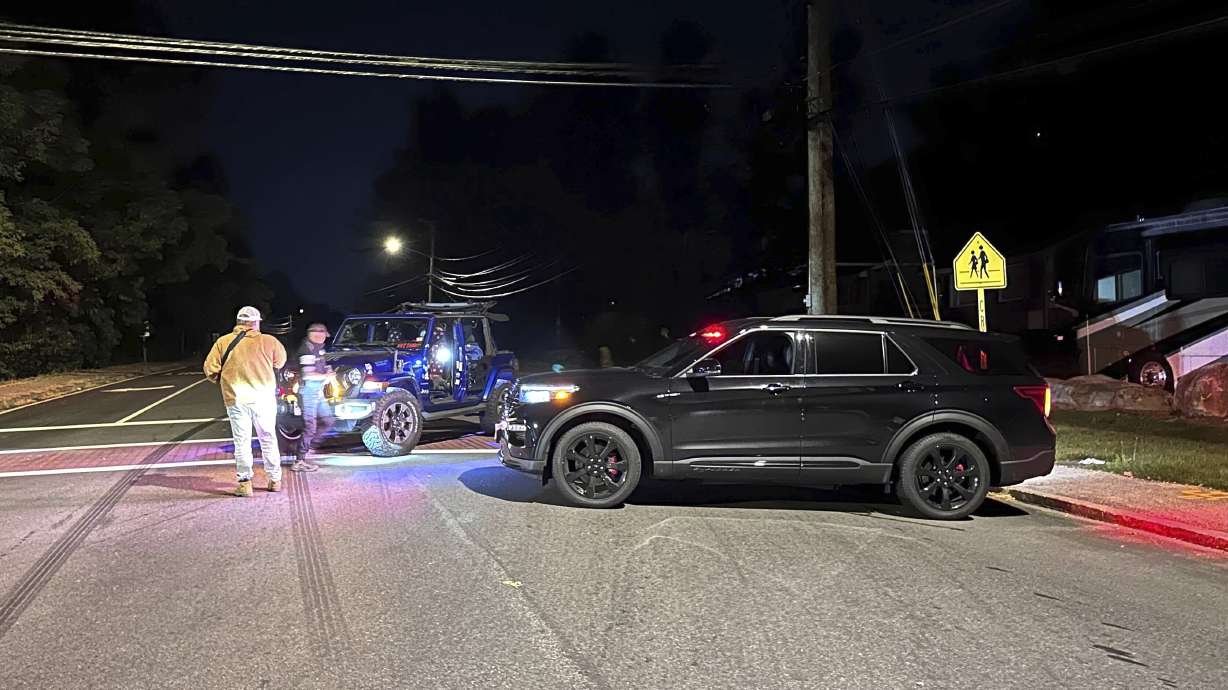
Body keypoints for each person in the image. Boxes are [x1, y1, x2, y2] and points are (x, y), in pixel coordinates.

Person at [203, 306, 287, 497]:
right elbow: (280, 362)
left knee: (241, 442)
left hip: (237, 397)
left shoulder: (223, 342)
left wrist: (223, 378)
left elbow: (210, 369)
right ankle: (275, 480)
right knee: (268, 438)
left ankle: (245, 484)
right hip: (264, 397)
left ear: (239, 322)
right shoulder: (269, 341)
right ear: (256, 322)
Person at [291, 323, 333, 472]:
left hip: (318, 391)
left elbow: (322, 364)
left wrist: (327, 369)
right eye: (321, 335)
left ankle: (308, 447)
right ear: (315, 334)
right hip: (308, 391)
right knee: (310, 426)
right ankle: (299, 460)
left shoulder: (318, 348)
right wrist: (326, 375)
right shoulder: (306, 350)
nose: (323, 338)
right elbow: (308, 374)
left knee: (328, 420)